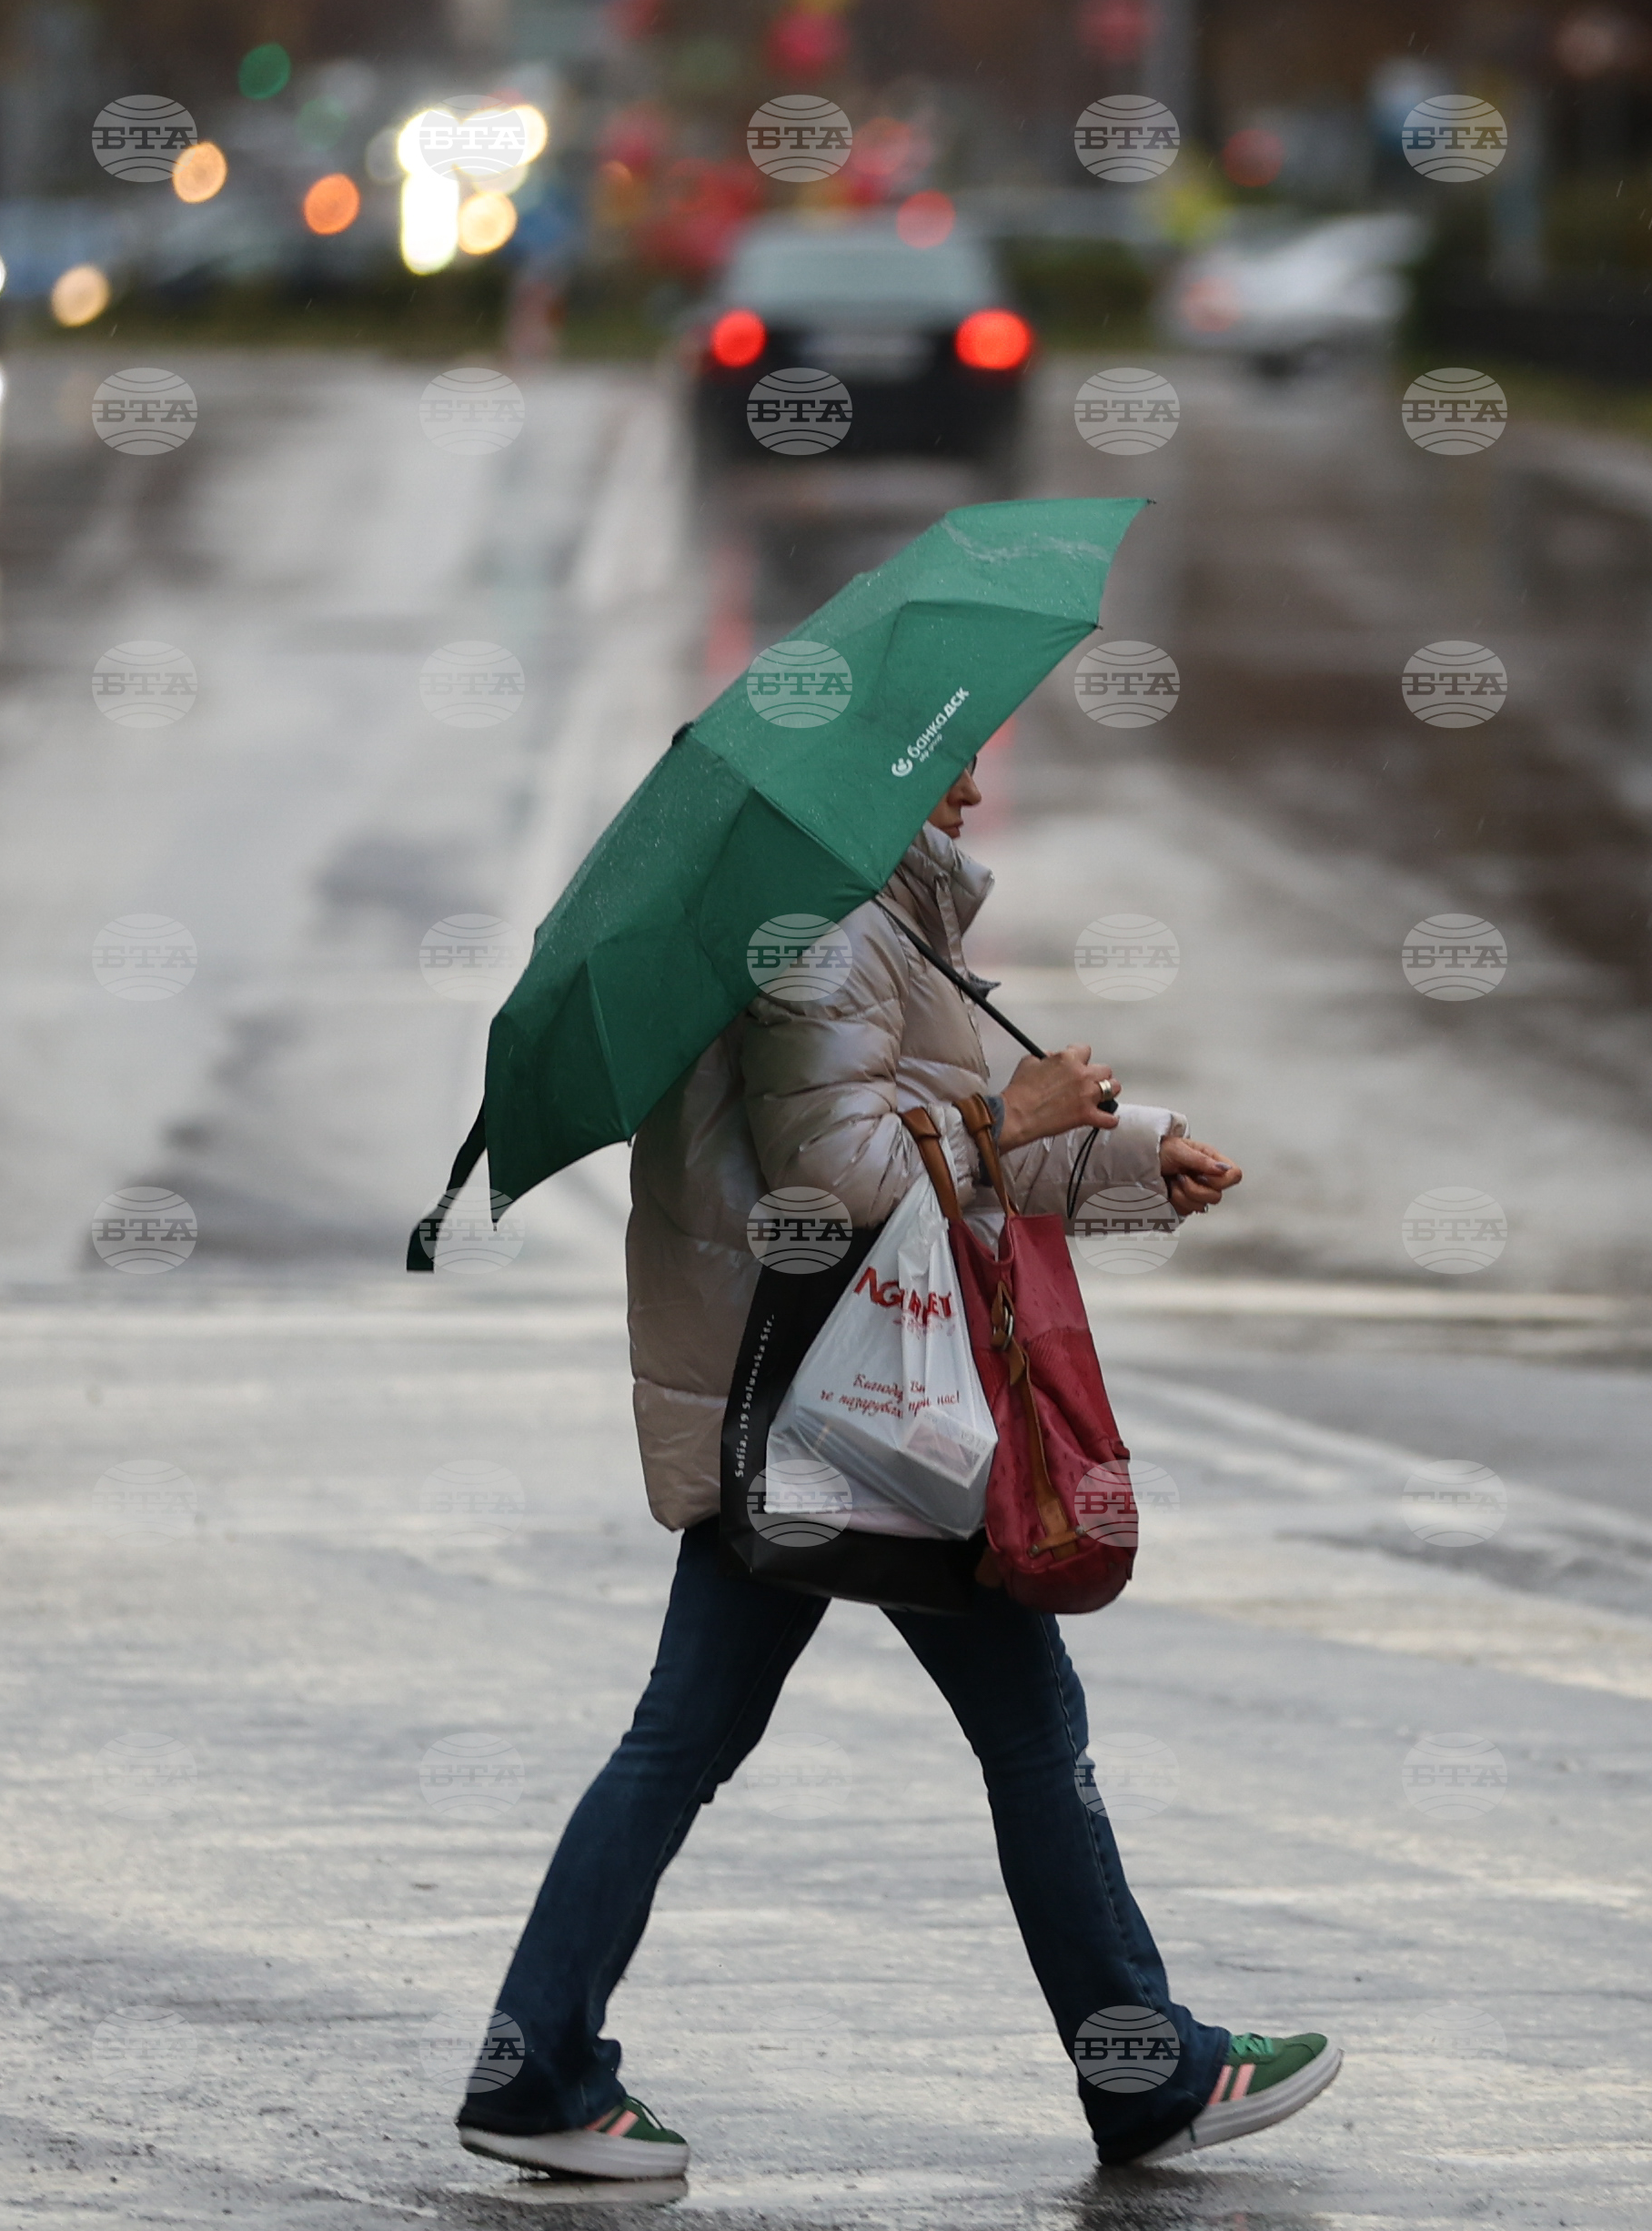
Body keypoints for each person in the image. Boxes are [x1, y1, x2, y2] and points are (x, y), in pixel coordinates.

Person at [455, 749, 1342, 2182]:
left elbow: (952, 1163)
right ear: (883, 770)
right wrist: (1026, 1114)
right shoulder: (819, 938)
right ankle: (1147, 2075)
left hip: (823, 1398)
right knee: (1023, 1730)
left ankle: (538, 2062)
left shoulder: (874, 915)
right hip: (854, 1403)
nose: (977, 792)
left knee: (697, 1739)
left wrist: (1132, 1154)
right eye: (955, 765)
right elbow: (846, 1180)